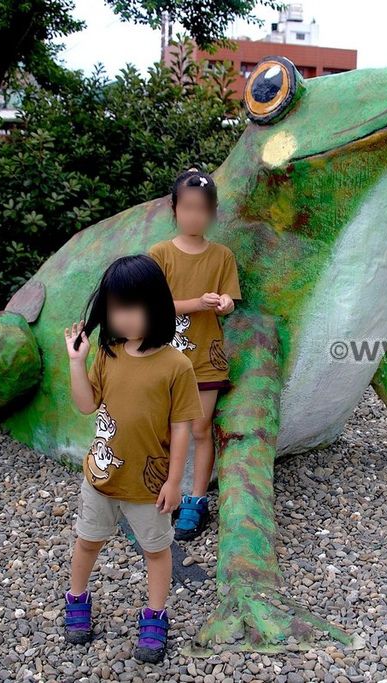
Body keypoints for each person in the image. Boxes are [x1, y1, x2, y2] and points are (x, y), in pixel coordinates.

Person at [62, 254, 203, 663]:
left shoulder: (176, 365)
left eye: (132, 307)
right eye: (115, 308)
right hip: (101, 480)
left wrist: (175, 482)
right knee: (87, 542)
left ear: (156, 304)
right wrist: (77, 361)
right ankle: (76, 598)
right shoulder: (108, 354)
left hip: (149, 486)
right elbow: (87, 405)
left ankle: (156, 615)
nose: (122, 318)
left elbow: (182, 429)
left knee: (156, 551)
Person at [148, 168, 242, 541]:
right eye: (187, 208)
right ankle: (158, 492)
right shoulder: (160, 255)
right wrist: (195, 303)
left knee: (202, 429)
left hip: (206, 357)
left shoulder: (222, 257)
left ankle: (196, 499)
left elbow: (230, 301)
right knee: (163, 429)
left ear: (212, 213)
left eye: (201, 210)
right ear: (174, 209)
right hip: (164, 358)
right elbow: (154, 308)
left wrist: (222, 305)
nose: (193, 217)